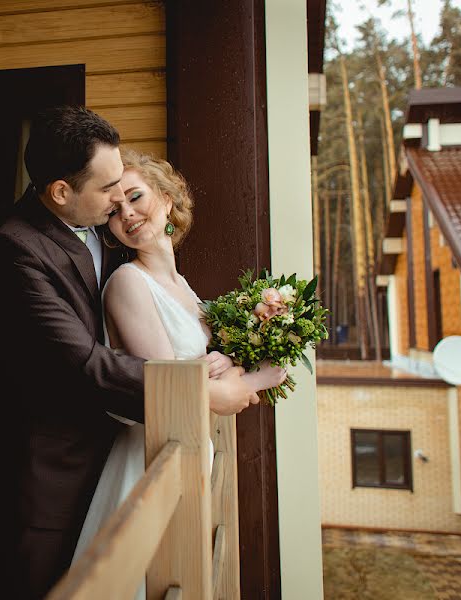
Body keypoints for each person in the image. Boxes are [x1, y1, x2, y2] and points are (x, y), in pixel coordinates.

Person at [0, 106, 260, 599]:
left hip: (107, 455)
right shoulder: (15, 248)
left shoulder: (110, 233)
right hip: (43, 471)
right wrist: (197, 393)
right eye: (107, 189)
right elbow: (83, 359)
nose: (117, 203)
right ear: (62, 192)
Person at [69, 149, 287, 599]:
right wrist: (260, 378)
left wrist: (229, 361)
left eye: (136, 197)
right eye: (114, 210)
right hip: (152, 456)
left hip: (193, 448)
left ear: (167, 199)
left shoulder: (185, 289)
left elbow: (197, 366)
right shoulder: (128, 283)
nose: (126, 214)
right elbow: (169, 386)